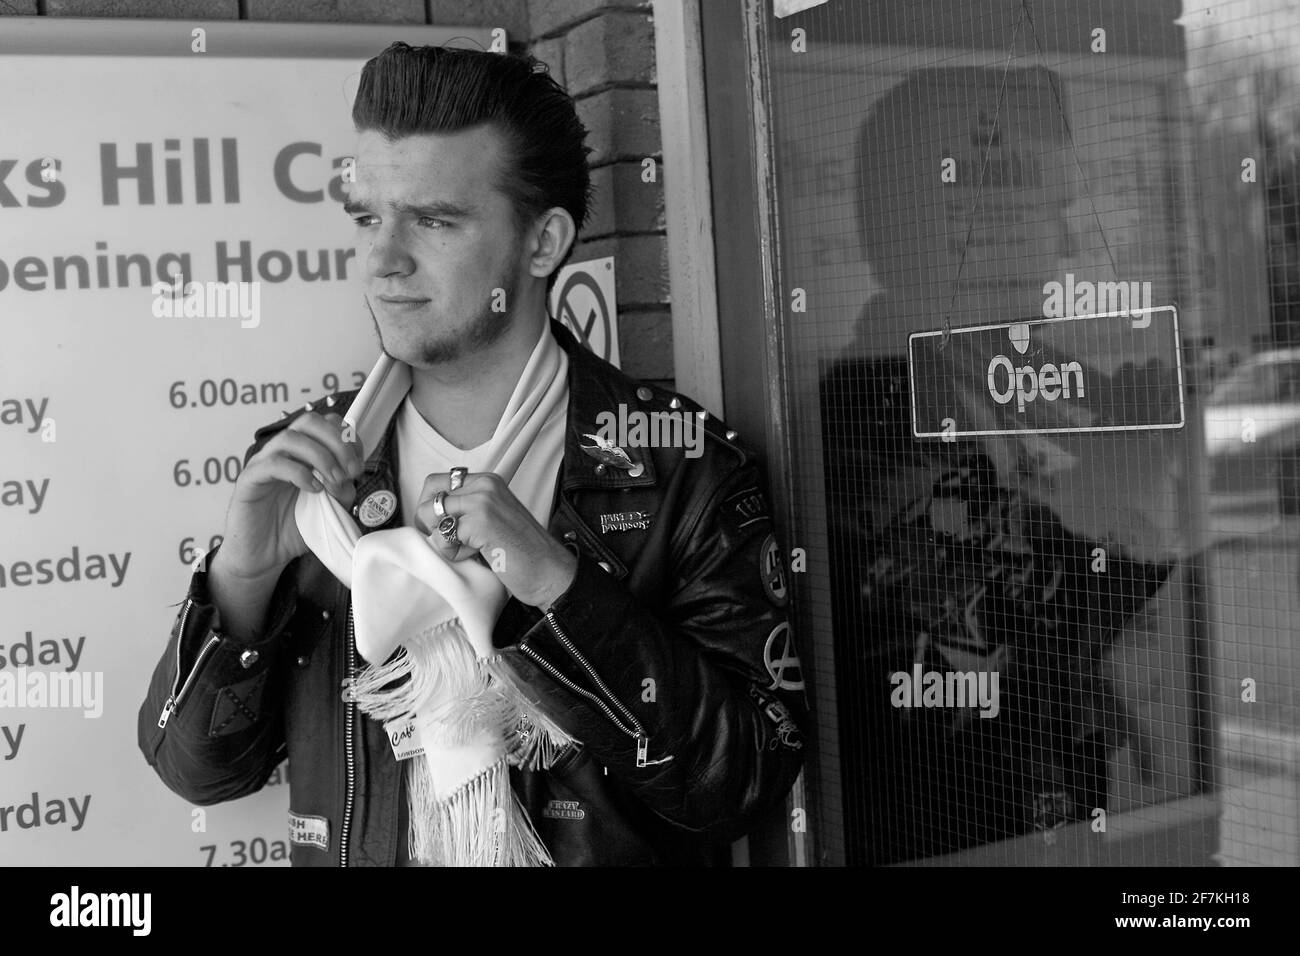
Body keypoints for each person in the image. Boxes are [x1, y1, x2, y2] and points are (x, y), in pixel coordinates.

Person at [137, 42, 804, 867]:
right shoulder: (308, 475)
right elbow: (201, 775)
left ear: (542, 243)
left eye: (434, 221)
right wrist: (241, 579)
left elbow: (744, 784)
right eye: (370, 219)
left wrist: (561, 591)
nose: (383, 261)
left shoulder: (682, 467)